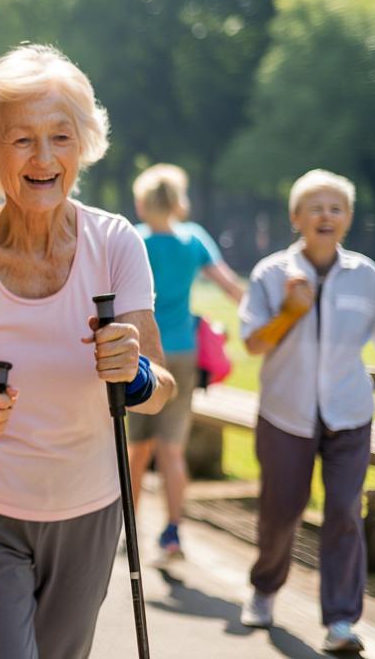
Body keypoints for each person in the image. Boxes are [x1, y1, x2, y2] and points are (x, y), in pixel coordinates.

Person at [0, 44, 176, 658]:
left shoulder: (115, 244)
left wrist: (135, 374)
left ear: (83, 145)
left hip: (89, 510)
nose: (44, 159)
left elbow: (161, 389)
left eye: (61, 138)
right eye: (23, 140)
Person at [237, 168, 375, 652]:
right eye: (315, 208)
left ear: (348, 218)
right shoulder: (271, 274)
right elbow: (252, 344)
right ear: (296, 218)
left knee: (343, 513)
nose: (326, 215)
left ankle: (340, 621)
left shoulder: (365, 276)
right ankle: (264, 589)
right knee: (281, 512)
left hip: (349, 414)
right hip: (285, 414)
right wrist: (291, 311)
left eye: (336, 208)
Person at [127, 163, 243, 560]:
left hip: (143, 355)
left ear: (142, 204)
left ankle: (130, 530)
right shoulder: (195, 239)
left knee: (137, 449)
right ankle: (173, 531)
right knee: (171, 450)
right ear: (179, 202)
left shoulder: (136, 240)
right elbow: (230, 286)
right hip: (183, 354)